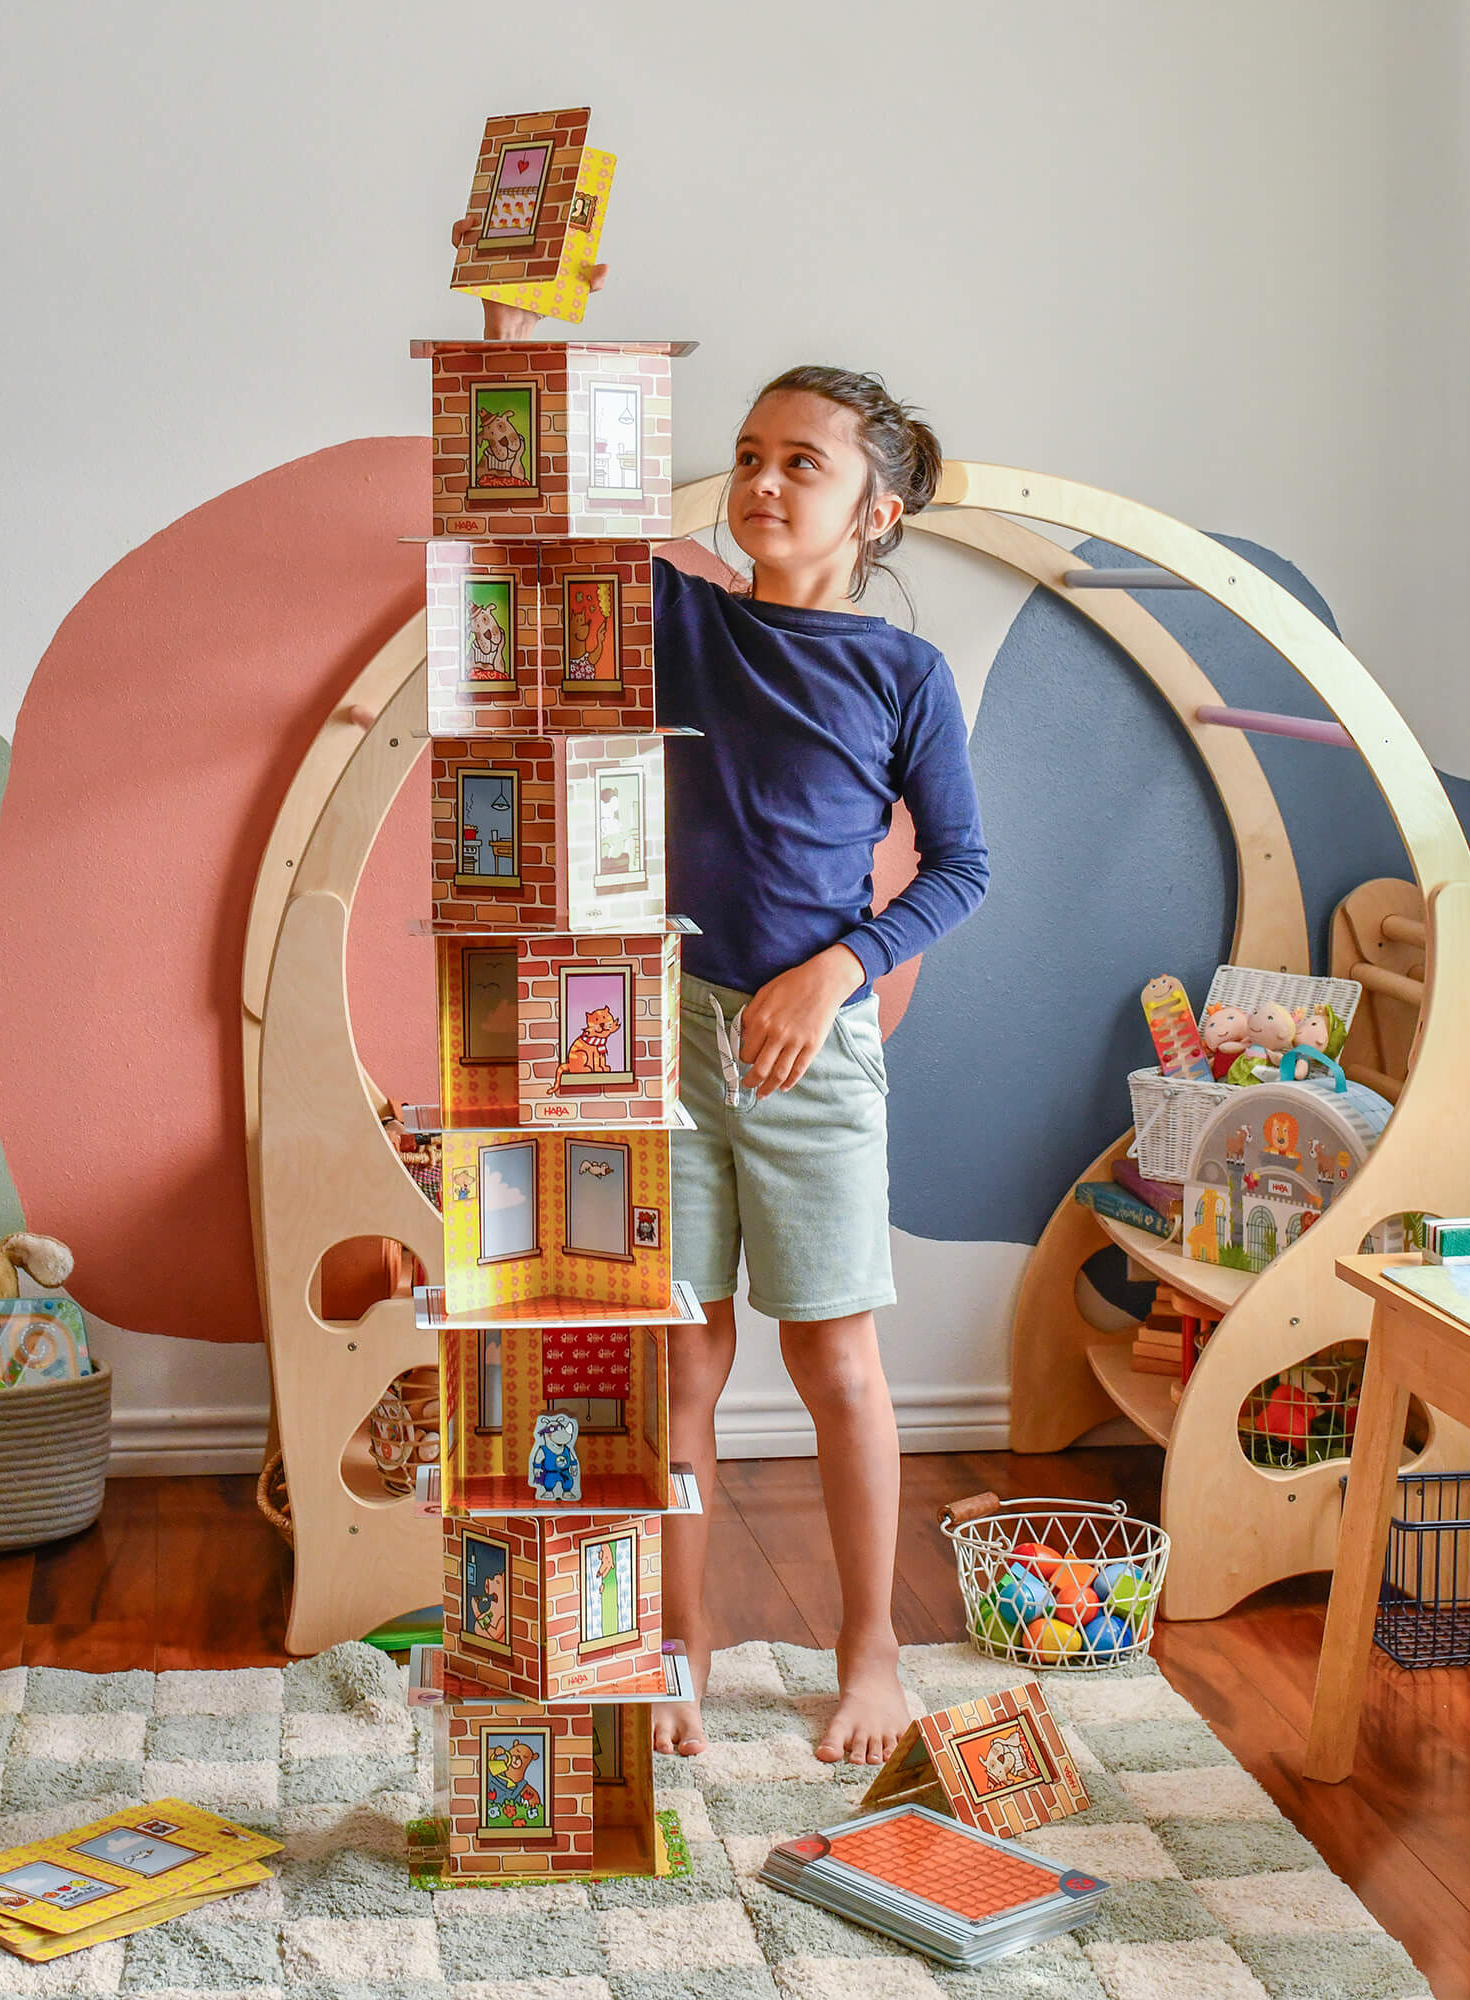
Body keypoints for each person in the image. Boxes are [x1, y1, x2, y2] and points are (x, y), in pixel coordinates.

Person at [446, 223, 989, 1766]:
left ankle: (870, 1648)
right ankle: (675, 1645)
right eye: (748, 453)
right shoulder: (678, 613)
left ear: (874, 507)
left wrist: (841, 966)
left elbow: (963, 866)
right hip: (659, 1032)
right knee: (677, 1357)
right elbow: (537, 520)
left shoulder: (901, 676)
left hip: (806, 1046)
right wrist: (513, 311)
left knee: (835, 1362)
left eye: (801, 463)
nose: (761, 481)